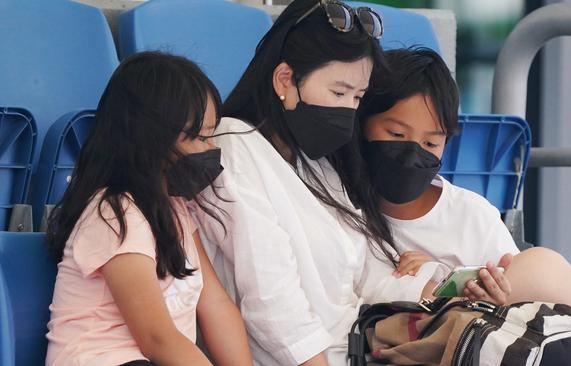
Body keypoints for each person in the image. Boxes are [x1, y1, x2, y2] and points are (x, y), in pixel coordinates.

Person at [355, 46, 571, 366]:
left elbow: (512, 312)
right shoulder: (340, 204)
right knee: (539, 267)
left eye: (430, 144)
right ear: (362, 124)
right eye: (396, 133)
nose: (413, 153)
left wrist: (487, 295)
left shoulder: (469, 215)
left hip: (480, 343)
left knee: (537, 272)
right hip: (410, 346)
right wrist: (429, 284)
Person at [191, 1, 441, 365]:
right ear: (285, 81)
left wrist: (438, 291)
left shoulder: (316, 162)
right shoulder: (234, 144)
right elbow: (269, 296)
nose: (348, 110)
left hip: (358, 349)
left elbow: (365, 273)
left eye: (357, 97)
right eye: (338, 93)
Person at [45, 52, 253, 366]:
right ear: (148, 139)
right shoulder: (115, 213)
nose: (210, 150)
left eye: (211, 136)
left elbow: (216, 306)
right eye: (196, 137)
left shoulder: (177, 210)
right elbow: (156, 338)